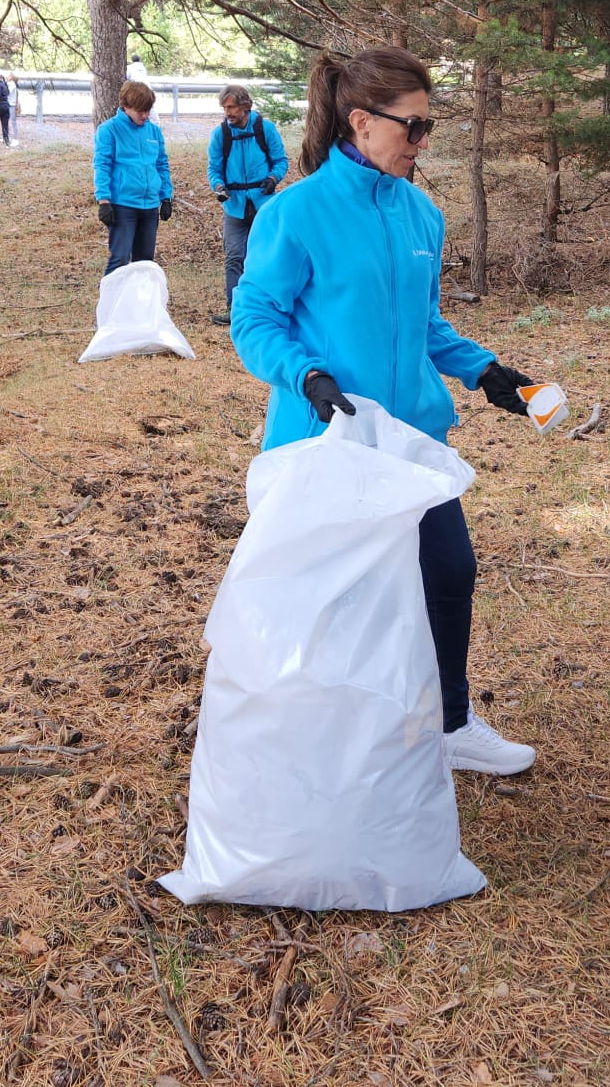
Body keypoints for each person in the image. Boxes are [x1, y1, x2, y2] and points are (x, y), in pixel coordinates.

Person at [231, 46, 544, 776]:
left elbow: (425, 324)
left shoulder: (421, 215)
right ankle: (315, 730)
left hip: (412, 444)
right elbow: (254, 317)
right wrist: (305, 374)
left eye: (430, 126)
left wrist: (487, 372)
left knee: (448, 574)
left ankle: (450, 723)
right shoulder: (297, 212)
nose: (423, 141)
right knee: (338, 599)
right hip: (329, 442)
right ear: (362, 122)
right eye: (414, 127)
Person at [206, 85, 288, 326]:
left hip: (264, 203)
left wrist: (273, 179)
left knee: (267, 255)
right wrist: (219, 187)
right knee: (234, 256)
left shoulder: (265, 128)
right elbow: (213, 169)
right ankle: (235, 310)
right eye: (224, 108)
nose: (227, 112)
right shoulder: (221, 134)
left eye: (231, 107)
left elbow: (281, 160)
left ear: (246, 107)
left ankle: (271, 308)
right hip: (235, 205)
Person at [93, 80, 175, 274]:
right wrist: (104, 201)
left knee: (145, 263)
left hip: (149, 206)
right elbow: (102, 165)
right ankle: (110, 303)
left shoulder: (153, 131)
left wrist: (166, 197)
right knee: (119, 259)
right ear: (126, 106)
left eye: (148, 110)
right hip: (123, 205)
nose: (145, 115)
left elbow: (161, 164)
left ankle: (139, 304)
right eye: (140, 110)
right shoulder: (109, 130)